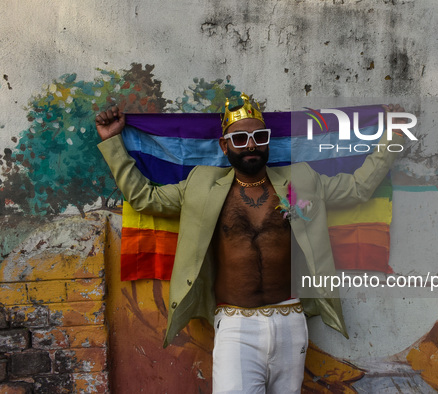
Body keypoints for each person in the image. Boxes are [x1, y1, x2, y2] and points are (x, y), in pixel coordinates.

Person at [95, 94, 402, 393]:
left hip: (291, 320)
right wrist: (112, 141)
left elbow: (359, 188)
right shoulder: (202, 185)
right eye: (240, 139)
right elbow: (144, 198)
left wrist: (393, 135)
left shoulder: (300, 182)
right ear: (224, 145)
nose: (251, 145)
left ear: (268, 140)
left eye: (259, 137)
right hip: (236, 325)